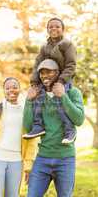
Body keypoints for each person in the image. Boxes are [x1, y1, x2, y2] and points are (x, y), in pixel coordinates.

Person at [23, 60, 85, 197]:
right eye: (42, 73)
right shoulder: (38, 96)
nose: (45, 75)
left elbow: (79, 119)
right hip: (42, 158)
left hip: (65, 159)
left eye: (49, 72)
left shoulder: (73, 92)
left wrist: (63, 96)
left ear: (58, 73)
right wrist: (28, 101)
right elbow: (28, 127)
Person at [0, 77, 37, 197]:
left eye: (15, 87)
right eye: (8, 88)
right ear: (4, 90)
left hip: (17, 161)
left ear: (19, 89)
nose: (11, 90)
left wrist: (28, 167)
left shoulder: (26, 111)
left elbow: (31, 141)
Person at [23, 17, 77, 144]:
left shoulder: (67, 44)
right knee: (38, 97)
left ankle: (70, 130)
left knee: (59, 101)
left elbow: (71, 65)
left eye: (57, 26)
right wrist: (34, 82)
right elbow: (37, 64)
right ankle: (38, 126)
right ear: (47, 29)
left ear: (62, 29)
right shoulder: (44, 47)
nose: (54, 28)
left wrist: (61, 82)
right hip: (48, 80)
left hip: (63, 79)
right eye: (51, 26)